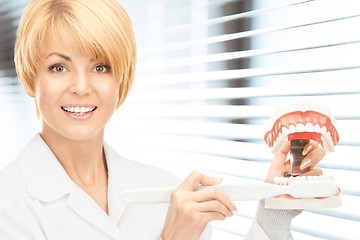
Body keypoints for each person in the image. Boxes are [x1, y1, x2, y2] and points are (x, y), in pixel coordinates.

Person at [0, 0, 325, 239]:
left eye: (101, 67)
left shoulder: (165, 189)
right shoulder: (9, 202)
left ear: (121, 80)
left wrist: (273, 216)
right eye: (59, 67)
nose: (81, 88)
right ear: (30, 78)